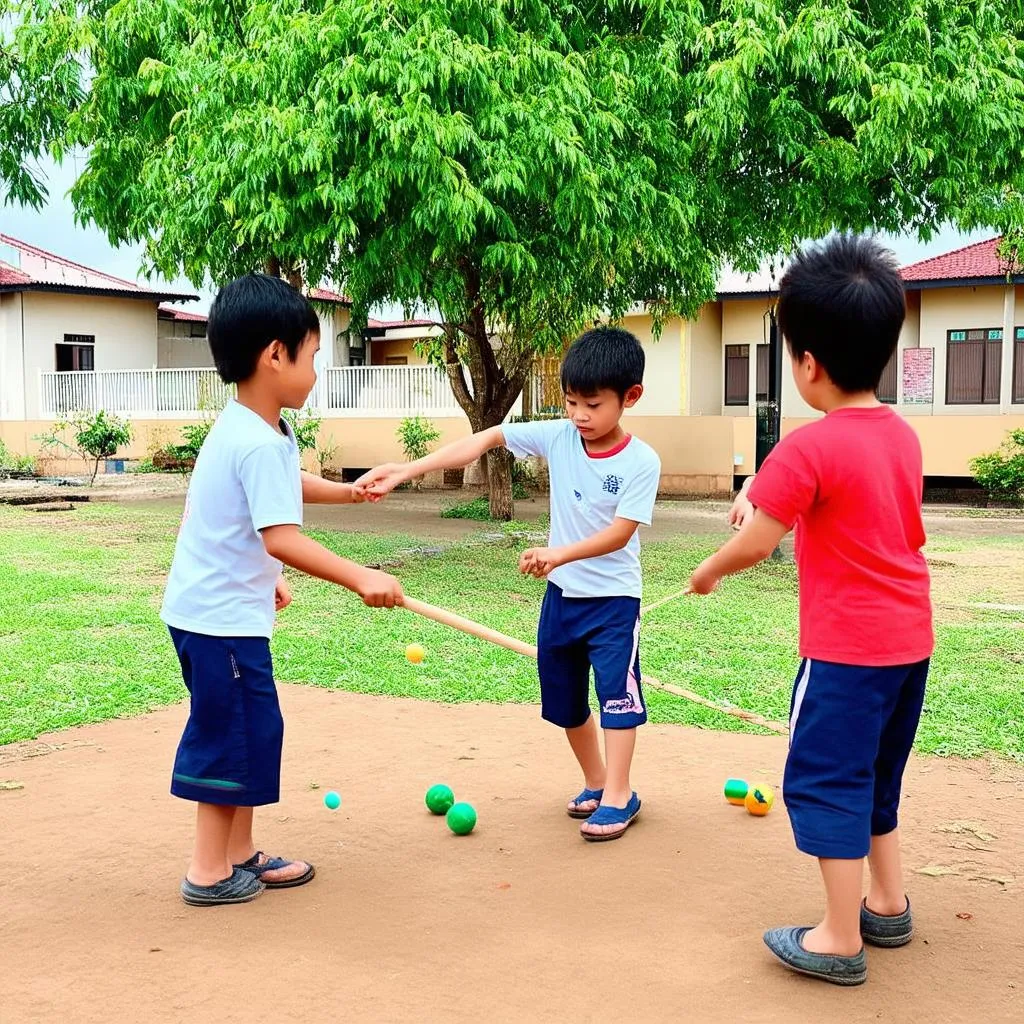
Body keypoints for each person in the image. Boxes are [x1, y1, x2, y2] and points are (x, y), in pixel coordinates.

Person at [688, 234, 933, 986]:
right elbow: (825, 497)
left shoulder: (805, 448)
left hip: (844, 654)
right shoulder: (901, 435)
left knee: (826, 777)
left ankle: (838, 935)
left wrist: (707, 571)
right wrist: (761, 493)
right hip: (908, 645)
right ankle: (885, 902)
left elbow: (759, 541)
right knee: (877, 773)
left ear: (806, 364)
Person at [357, 327, 661, 841]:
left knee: (618, 699)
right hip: (562, 599)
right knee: (565, 702)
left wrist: (558, 552)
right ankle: (596, 781)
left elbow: (620, 533)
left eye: (592, 404)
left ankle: (619, 794)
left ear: (629, 398)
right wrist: (407, 469)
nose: (579, 415)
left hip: (613, 602)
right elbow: (487, 437)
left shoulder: (640, 462)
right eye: (570, 403)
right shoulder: (559, 436)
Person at [161, 274, 404, 906]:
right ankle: (208, 871)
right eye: (314, 356)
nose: (318, 371)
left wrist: (349, 491)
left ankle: (240, 854)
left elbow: (277, 491)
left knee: (251, 729)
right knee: (230, 733)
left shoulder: (251, 427)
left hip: (217, 614)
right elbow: (281, 537)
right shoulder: (256, 440)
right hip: (218, 622)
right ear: (276, 354)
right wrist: (362, 577)